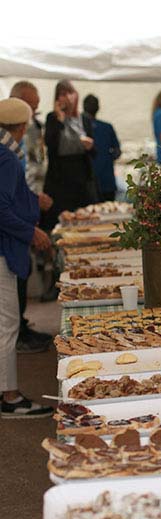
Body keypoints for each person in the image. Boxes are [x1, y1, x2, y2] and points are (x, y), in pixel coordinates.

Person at [0, 98, 54, 418]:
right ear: (21, 128)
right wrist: (31, 232)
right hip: (4, 249)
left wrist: (31, 201)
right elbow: (2, 209)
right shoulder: (7, 158)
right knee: (7, 325)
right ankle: (10, 396)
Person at [8, 81, 53, 354]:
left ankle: (21, 327)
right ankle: (18, 334)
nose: (35, 113)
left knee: (21, 275)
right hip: (13, 223)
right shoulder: (7, 151)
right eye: (32, 107)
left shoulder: (15, 143)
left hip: (22, 212)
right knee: (15, 278)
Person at [42, 80, 98, 233]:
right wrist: (60, 119)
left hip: (81, 180)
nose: (66, 97)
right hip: (60, 182)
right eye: (62, 94)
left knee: (86, 223)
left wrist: (90, 146)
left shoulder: (84, 119)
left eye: (69, 93)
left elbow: (95, 153)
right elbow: (50, 144)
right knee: (60, 225)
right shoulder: (52, 118)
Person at [82, 95, 120, 202]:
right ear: (98, 108)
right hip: (107, 181)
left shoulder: (79, 128)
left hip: (87, 183)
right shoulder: (107, 127)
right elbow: (117, 152)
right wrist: (107, 159)